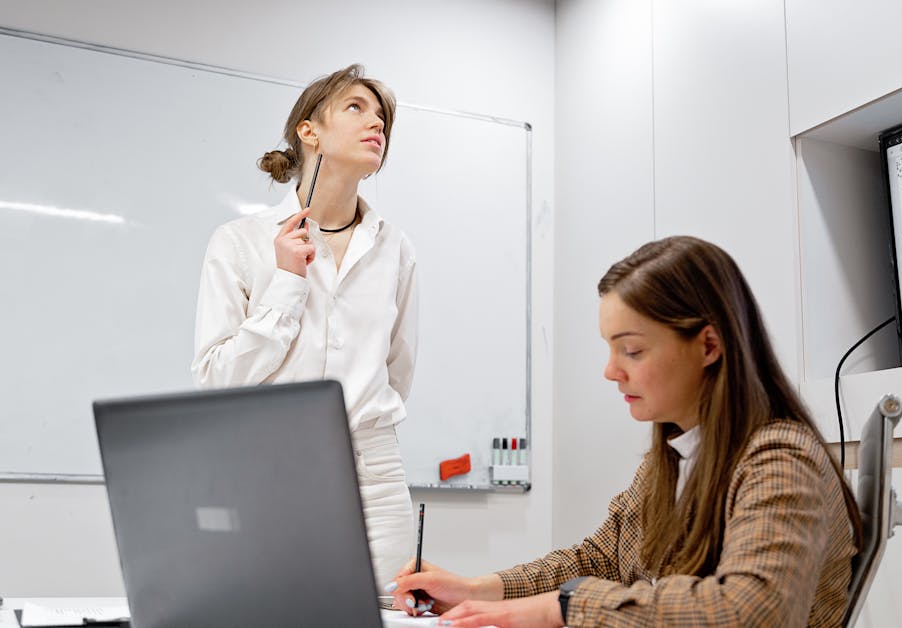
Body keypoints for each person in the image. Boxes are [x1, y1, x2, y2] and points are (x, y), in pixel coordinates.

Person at [387, 236, 860, 627]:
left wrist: (567, 608)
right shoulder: (677, 454)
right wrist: (477, 590)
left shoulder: (780, 459)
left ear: (709, 345)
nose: (611, 372)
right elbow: (601, 558)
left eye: (631, 351)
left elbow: (751, 610)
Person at [191, 64, 417, 590]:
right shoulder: (240, 241)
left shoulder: (395, 247)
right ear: (308, 131)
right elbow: (215, 379)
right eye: (357, 108)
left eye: (383, 116)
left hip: (374, 476)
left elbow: (397, 370)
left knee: (383, 619)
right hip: (268, 468)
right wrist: (287, 285)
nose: (377, 123)